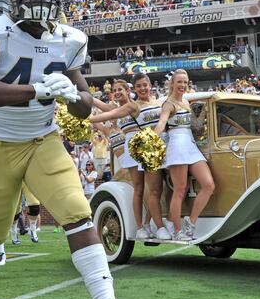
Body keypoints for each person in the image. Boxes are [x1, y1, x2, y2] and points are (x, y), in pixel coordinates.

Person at [0, 0, 127, 299]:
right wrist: (33, 90)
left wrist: (72, 94)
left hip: (43, 141)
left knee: (78, 213)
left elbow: (83, 108)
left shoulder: (69, 40)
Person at [89, 79, 169, 240]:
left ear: (128, 91)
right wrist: (82, 96)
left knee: (154, 189)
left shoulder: (136, 106)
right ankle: (140, 227)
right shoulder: (117, 108)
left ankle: (149, 223)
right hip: (132, 150)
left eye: (121, 89)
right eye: (114, 90)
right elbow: (102, 108)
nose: (117, 92)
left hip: (146, 146)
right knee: (139, 189)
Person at [154, 69, 215, 240]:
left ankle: (191, 222)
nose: (182, 85)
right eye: (179, 82)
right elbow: (162, 122)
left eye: (185, 82)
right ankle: (177, 231)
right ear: (172, 84)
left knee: (209, 185)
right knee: (180, 190)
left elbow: (195, 128)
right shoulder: (168, 104)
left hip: (191, 145)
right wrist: (151, 136)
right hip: (177, 145)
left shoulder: (187, 103)